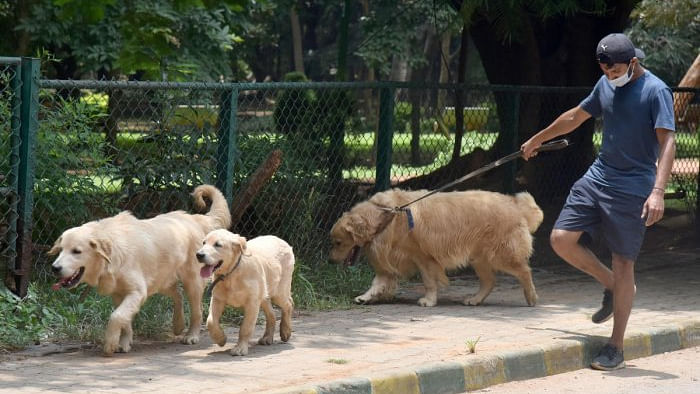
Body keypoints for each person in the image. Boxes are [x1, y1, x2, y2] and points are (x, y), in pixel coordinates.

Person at [521, 33, 676, 371]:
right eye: (605, 71)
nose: (610, 76)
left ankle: (615, 346)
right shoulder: (606, 83)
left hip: (634, 186)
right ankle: (613, 285)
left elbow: (667, 143)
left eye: (615, 70)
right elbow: (576, 116)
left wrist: (658, 192)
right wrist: (537, 138)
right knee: (561, 239)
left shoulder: (655, 91)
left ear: (632, 62)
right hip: (599, 176)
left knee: (624, 264)